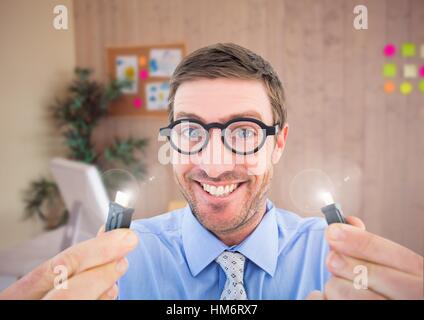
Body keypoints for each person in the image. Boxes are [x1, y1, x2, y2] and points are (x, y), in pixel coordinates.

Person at [1, 43, 422, 300]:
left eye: (243, 131)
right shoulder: (117, 268)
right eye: (190, 130)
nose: (214, 164)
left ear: (278, 142)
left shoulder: (339, 268)